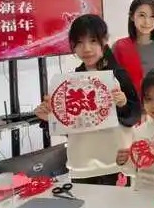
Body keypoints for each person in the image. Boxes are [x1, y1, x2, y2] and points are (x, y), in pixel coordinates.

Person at [34, 14, 141, 185]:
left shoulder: (118, 75)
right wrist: (50, 118)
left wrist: (123, 104)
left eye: (93, 41)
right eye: (80, 42)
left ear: (104, 41)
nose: (87, 48)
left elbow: (134, 117)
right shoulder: (70, 82)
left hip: (115, 163)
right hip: (82, 164)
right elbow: (73, 126)